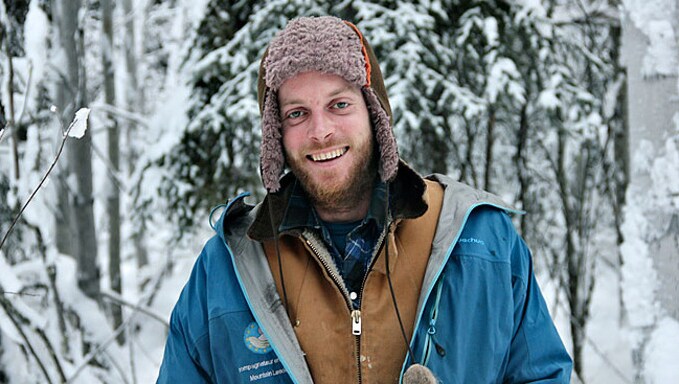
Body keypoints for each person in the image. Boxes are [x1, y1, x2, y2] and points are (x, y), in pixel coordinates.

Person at [157, 16, 572, 384]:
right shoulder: (227, 270)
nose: (321, 131)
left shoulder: (480, 240)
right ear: (275, 135)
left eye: (339, 105)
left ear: (375, 114)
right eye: (297, 113)